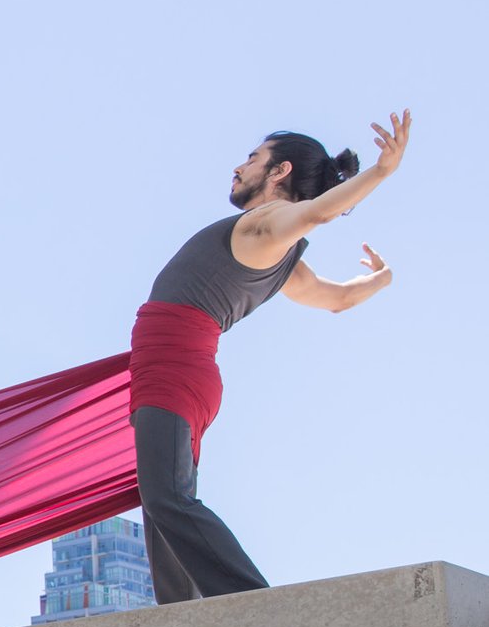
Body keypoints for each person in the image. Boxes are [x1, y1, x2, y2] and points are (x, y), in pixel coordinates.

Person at [130, 113, 411, 602]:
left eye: (252, 158)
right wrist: (381, 280)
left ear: (279, 172)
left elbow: (314, 214)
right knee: (162, 507)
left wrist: (382, 172)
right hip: (174, 371)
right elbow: (337, 298)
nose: (239, 167)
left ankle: (258, 606)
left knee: (168, 500)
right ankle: (179, 620)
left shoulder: (264, 223)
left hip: (175, 369)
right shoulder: (283, 257)